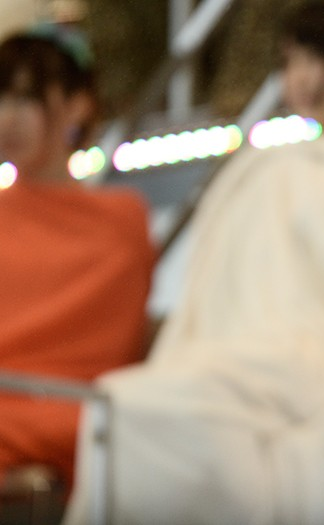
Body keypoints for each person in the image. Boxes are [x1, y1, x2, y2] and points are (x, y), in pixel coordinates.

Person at [64, 2, 324, 524]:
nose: (300, 76)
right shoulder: (260, 164)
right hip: (236, 353)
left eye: (318, 57)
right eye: (290, 60)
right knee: (128, 405)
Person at [0, 24, 155, 496]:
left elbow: (117, 342)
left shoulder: (122, 219)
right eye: (0, 98)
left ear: (76, 105)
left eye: (26, 99)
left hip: (80, 412)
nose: (7, 118)